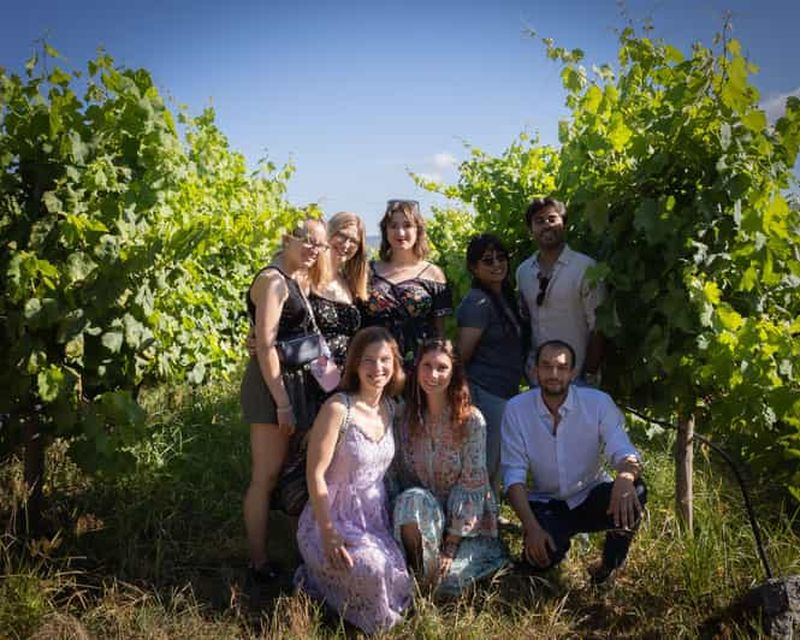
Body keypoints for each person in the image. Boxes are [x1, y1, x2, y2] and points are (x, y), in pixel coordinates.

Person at [295, 327, 412, 634]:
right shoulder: (338, 409)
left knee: (394, 573)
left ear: (395, 364)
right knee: (371, 571)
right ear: (355, 365)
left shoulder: (391, 408)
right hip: (330, 517)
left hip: (372, 519)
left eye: (385, 360)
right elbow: (315, 473)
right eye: (368, 360)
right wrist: (329, 532)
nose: (377, 368)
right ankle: (315, 583)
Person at [501, 339, 647, 583]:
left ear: (572, 373)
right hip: (547, 501)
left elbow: (623, 449)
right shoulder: (516, 409)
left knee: (636, 491)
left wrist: (625, 477)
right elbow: (513, 475)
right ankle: (542, 552)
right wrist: (532, 528)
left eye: (561, 367)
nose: (553, 374)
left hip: (590, 494)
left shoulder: (597, 403)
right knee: (539, 561)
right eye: (546, 366)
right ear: (535, 371)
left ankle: (609, 567)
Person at [240, 217, 330, 581]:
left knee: (287, 471)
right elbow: (265, 345)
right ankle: (258, 563)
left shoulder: (293, 278)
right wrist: (282, 403)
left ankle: (297, 553)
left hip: (292, 383)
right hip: (273, 386)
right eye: (306, 240)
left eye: (319, 244)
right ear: (286, 238)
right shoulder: (273, 281)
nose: (313, 249)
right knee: (266, 476)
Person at [392, 339, 507, 596]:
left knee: (449, 583)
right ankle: (419, 569)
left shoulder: (471, 421)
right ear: (416, 368)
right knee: (410, 500)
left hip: (465, 528)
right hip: (423, 516)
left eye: (442, 368)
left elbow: (472, 482)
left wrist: (451, 544)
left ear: (454, 372)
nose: (433, 375)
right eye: (427, 366)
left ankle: (448, 571)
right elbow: (399, 477)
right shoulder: (404, 417)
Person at [456, 234, 525, 493]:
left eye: (501, 257)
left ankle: (490, 510)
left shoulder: (504, 297)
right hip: (486, 392)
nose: (497, 264)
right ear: (474, 268)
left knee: (496, 461)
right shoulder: (478, 302)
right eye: (487, 260)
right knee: (485, 462)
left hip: (502, 392)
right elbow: (462, 355)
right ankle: (476, 513)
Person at [516, 197, 605, 383]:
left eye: (552, 219)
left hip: (577, 377)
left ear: (564, 224)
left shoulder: (586, 268)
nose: (546, 225)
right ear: (530, 230)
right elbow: (526, 322)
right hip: (538, 379)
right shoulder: (523, 272)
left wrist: (589, 373)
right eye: (539, 221)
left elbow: (598, 326)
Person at [362, 199, 452, 367]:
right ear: (385, 231)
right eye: (393, 226)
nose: (400, 232)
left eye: (407, 225)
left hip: (419, 366)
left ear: (418, 230)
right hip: (375, 366)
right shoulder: (367, 272)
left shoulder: (434, 275)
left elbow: (439, 332)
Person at [309, 211, 367, 370]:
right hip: (310, 372)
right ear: (329, 233)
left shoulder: (353, 284)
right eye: (342, 236)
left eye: (354, 241)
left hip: (344, 375)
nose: (346, 245)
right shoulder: (306, 276)